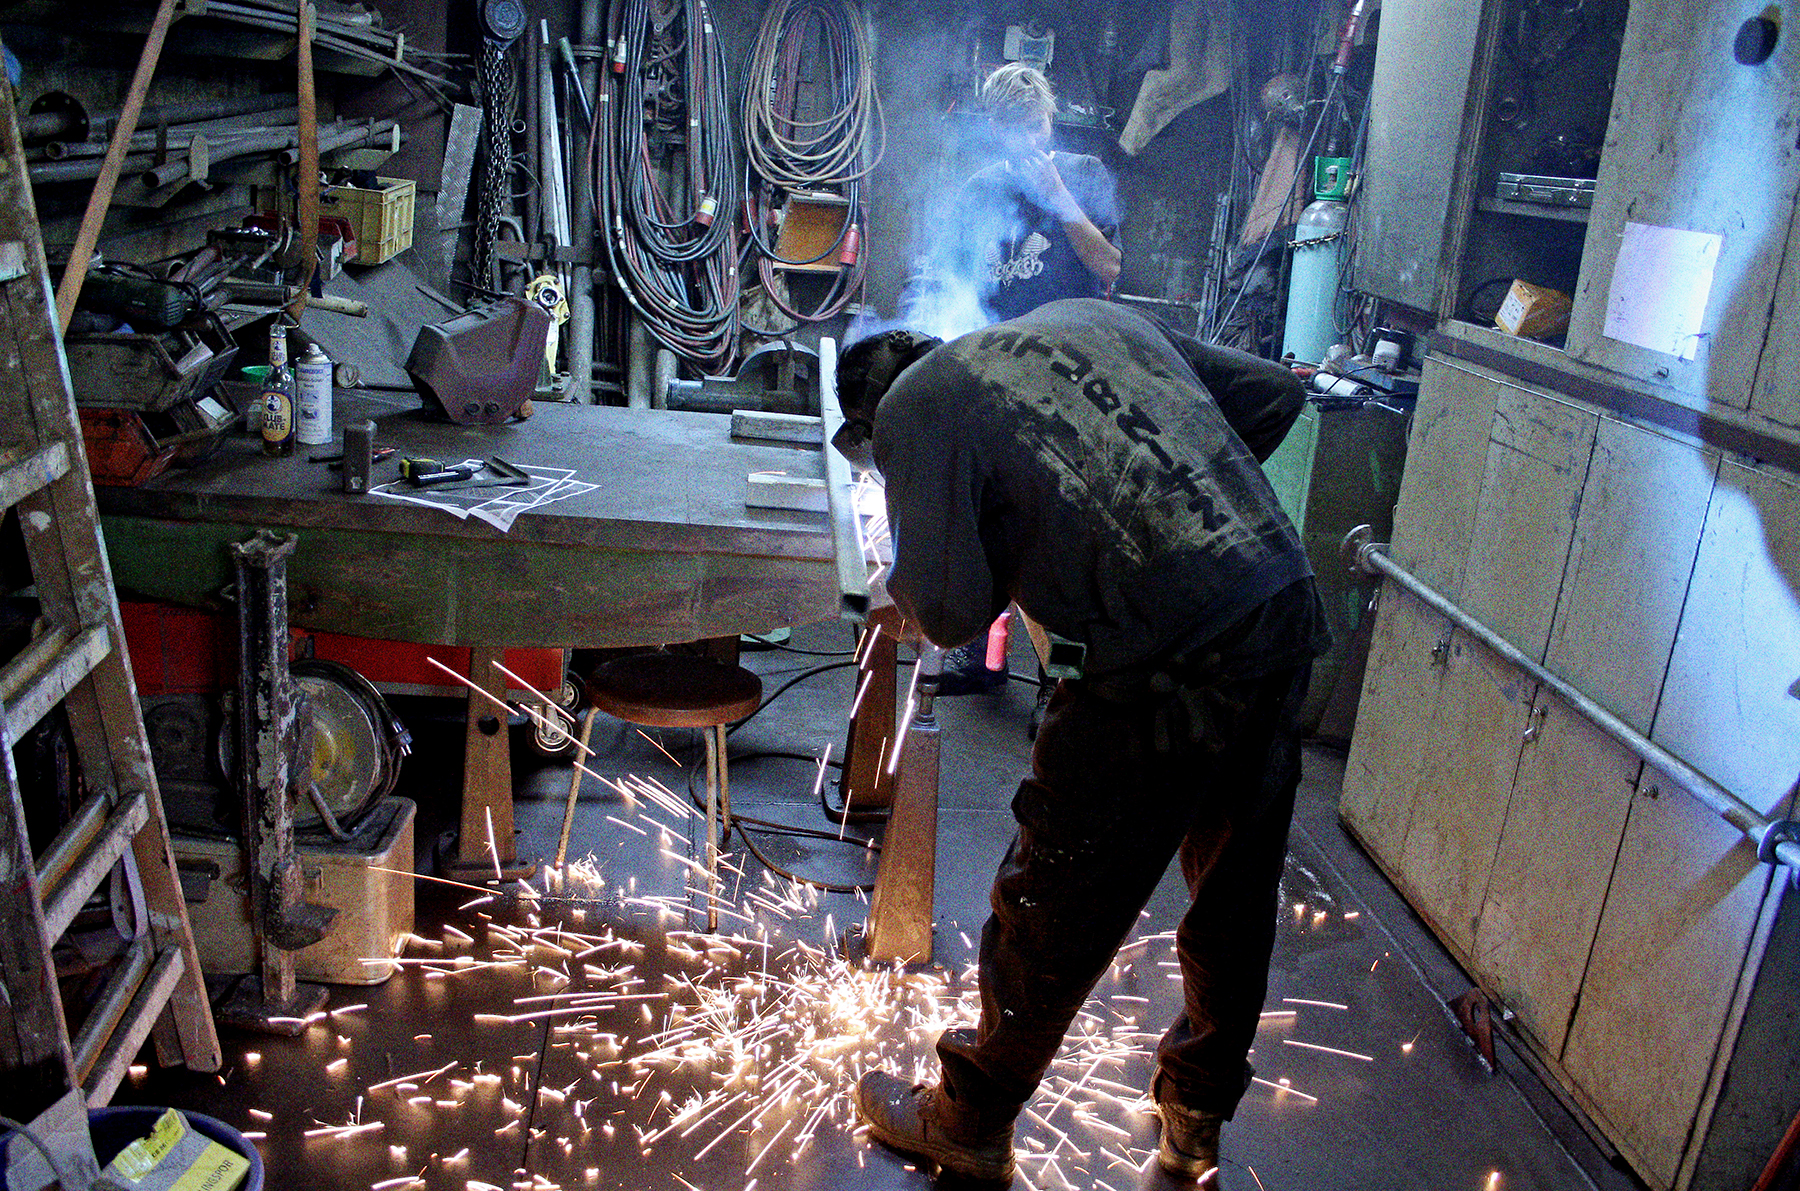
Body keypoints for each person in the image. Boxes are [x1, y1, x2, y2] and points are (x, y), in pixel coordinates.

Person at [831, 298, 1329, 1186]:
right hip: (1273, 603)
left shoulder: (912, 408)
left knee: (1053, 888)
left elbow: (946, 613)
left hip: (1156, 657)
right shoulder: (1081, 318)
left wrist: (920, 572)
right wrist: (1162, 518)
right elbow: (1271, 398)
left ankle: (971, 1117)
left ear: (871, 421)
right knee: (1234, 888)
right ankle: (1195, 1120)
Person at [919, 62, 1125, 695]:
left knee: (1059, 532)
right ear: (995, 130)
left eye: (1034, 128)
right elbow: (955, 281)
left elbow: (1110, 266)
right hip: (995, 374)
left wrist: (1060, 199)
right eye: (1012, 132)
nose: (1026, 144)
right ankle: (976, 657)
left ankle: (1057, 678)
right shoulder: (981, 188)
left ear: (1049, 121)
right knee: (985, 515)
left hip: (1068, 378)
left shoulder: (1087, 178)